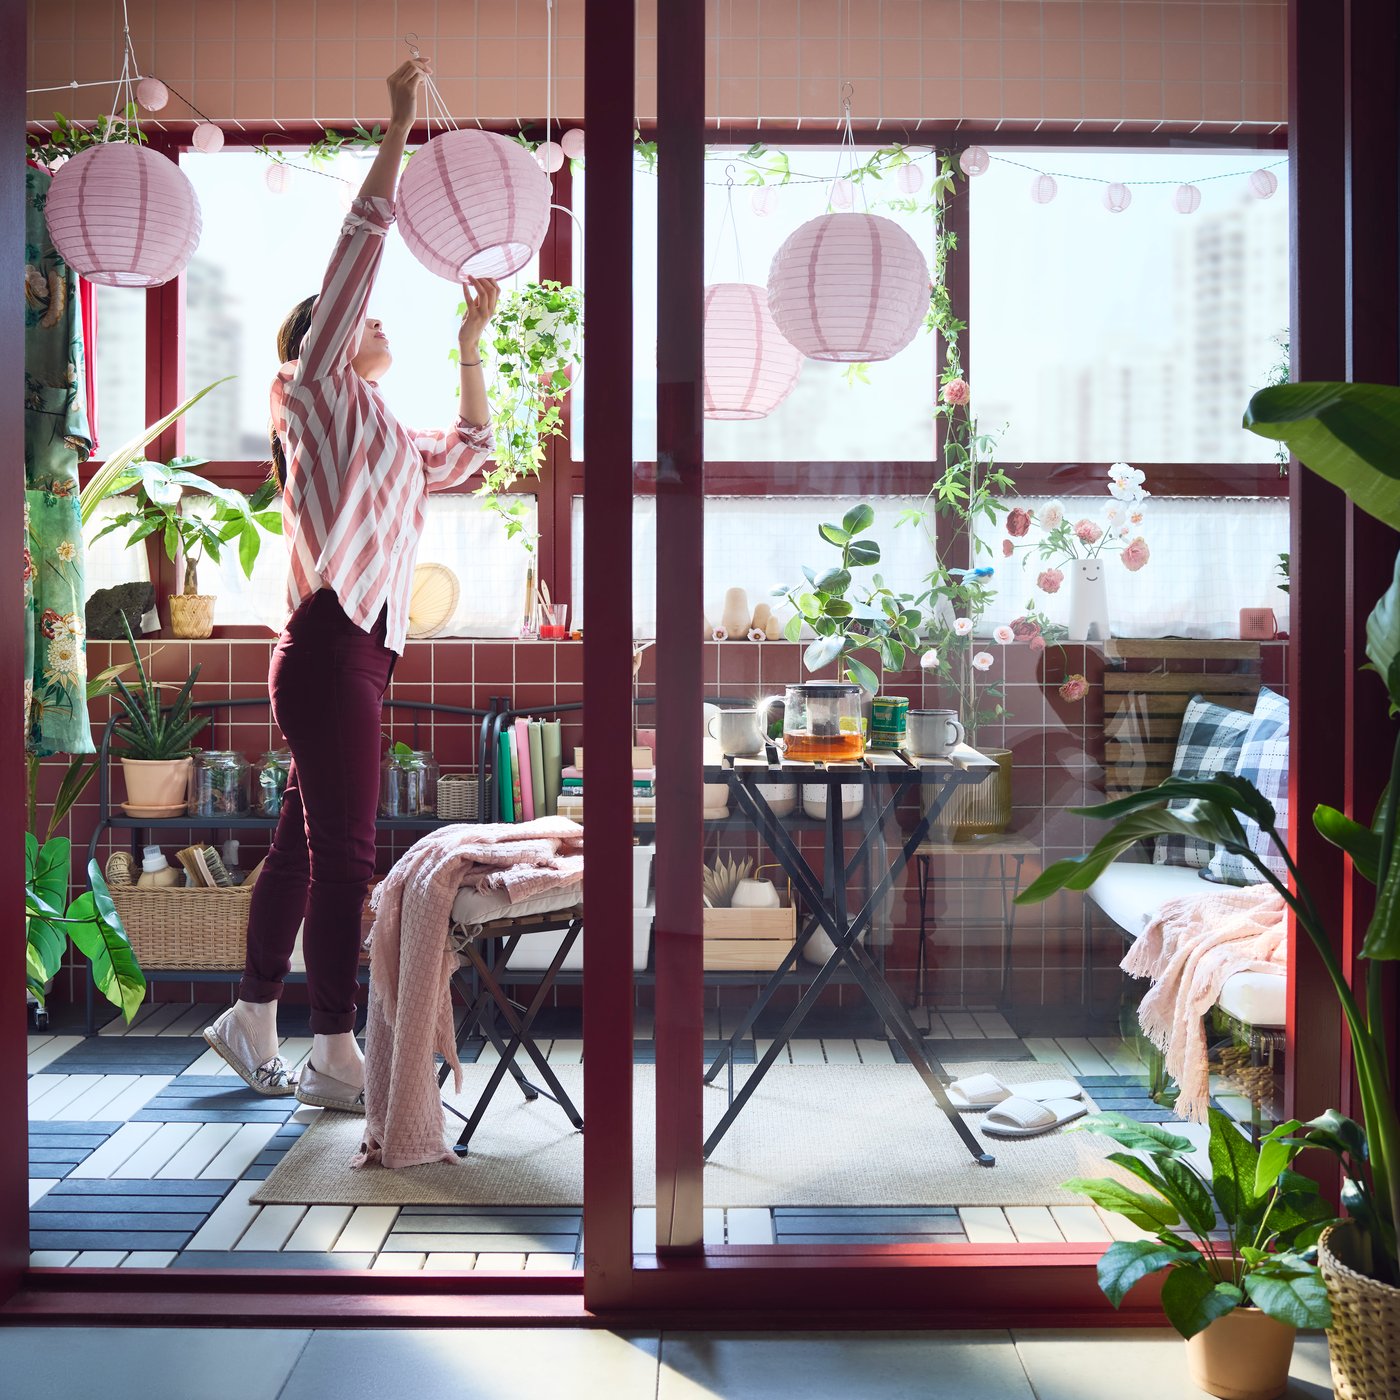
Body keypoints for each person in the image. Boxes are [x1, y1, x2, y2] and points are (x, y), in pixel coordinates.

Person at [203, 59, 498, 1112]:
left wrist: (471, 341)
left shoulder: (378, 428)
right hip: (332, 648)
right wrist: (401, 124)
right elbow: (360, 249)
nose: (380, 325)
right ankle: (334, 1047)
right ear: (322, 333)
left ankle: (249, 1013)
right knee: (349, 853)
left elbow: (471, 449)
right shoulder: (313, 386)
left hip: (350, 653)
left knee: (305, 842)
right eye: (357, 318)